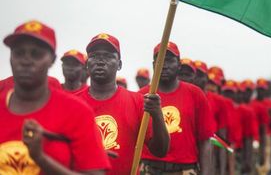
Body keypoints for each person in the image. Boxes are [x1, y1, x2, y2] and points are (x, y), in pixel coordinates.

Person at [0, 20, 110, 174]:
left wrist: (41, 159)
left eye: (36, 54)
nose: (26, 61)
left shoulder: (77, 112)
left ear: (51, 59)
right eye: (18, 53)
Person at [78, 33, 169, 175]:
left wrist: (157, 115)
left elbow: (160, 151)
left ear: (119, 64)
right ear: (86, 63)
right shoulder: (73, 103)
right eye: (94, 55)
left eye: (108, 56)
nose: (100, 61)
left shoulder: (138, 102)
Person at [139, 42, 213, 175]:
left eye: (169, 60)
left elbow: (205, 140)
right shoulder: (141, 96)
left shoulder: (195, 94)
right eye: (160, 60)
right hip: (149, 169)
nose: (164, 65)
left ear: (179, 65)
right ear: (153, 65)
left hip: (185, 169)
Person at [193, 60, 229, 175]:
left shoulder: (219, 101)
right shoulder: (186, 97)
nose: (198, 78)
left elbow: (222, 140)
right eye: (195, 74)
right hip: (186, 159)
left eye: (201, 75)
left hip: (209, 157)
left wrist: (223, 172)